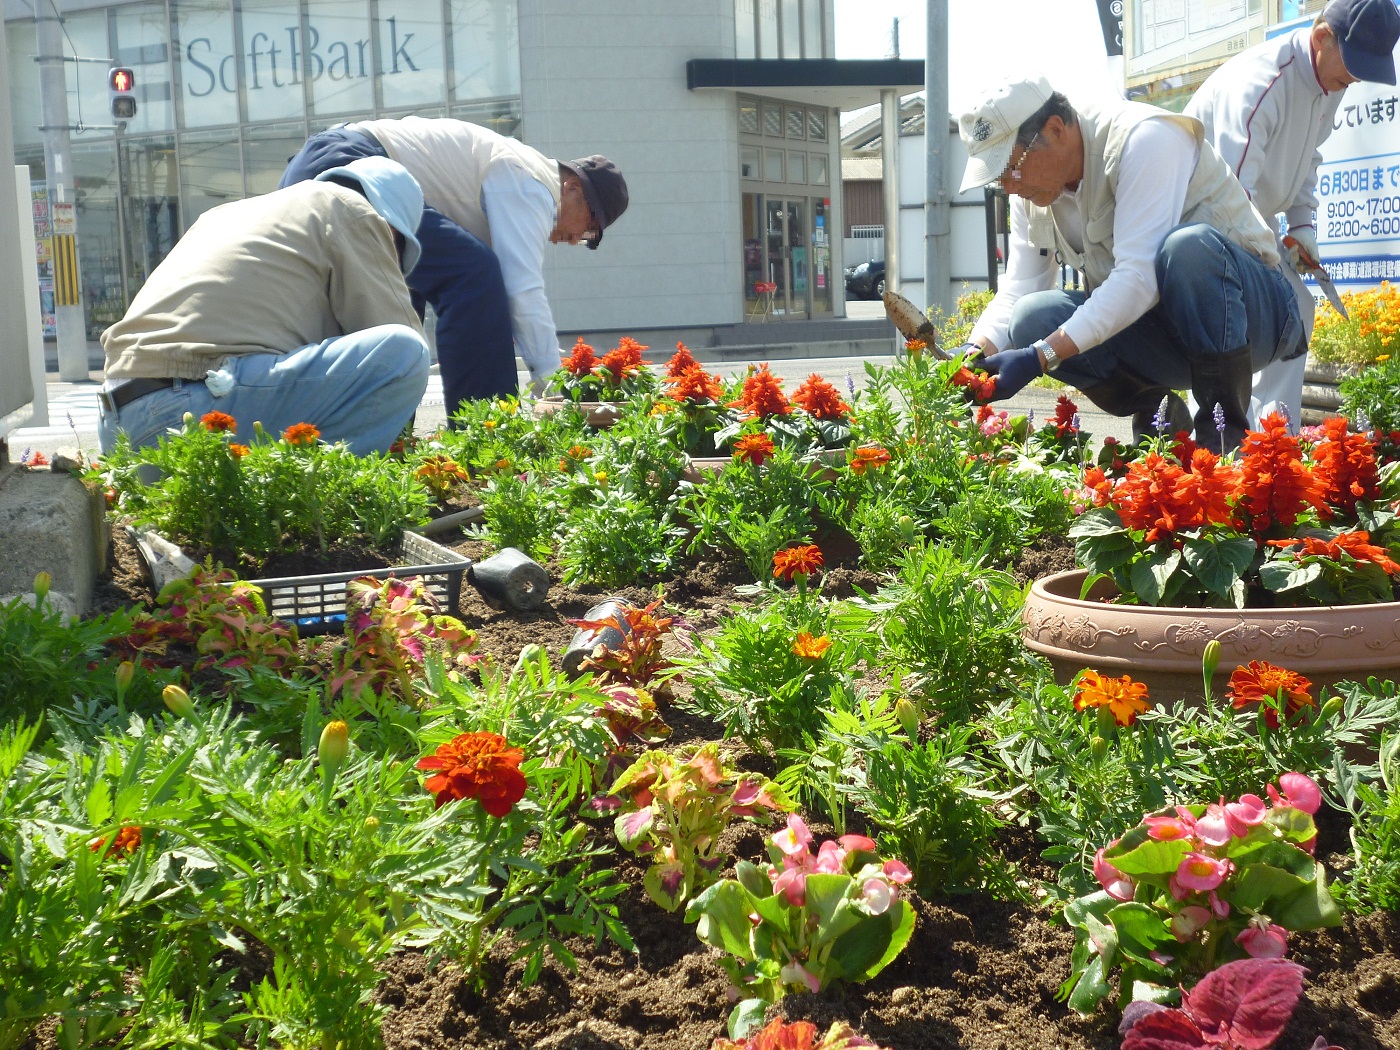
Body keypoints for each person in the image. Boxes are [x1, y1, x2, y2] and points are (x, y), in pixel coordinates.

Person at [953, 76, 1305, 451]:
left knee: (1188, 249)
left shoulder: (1143, 138)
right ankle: (1161, 420)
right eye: (998, 177)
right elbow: (1020, 286)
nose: (1008, 186)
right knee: (1031, 316)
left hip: (1256, 318)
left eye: (1012, 167)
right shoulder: (1033, 194)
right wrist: (975, 351)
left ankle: (1224, 438)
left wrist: (1041, 356)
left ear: (1055, 130)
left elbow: (1137, 278)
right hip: (1169, 335)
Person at [279, 117, 629, 415]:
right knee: (474, 275)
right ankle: (487, 438)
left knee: (401, 306)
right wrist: (552, 382)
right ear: (572, 188)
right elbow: (521, 288)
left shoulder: (516, 177)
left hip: (317, 167)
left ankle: (388, 444)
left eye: (588, 239)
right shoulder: (533, 182)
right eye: (588, 226)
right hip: (347, 166)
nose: (574, 239)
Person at [98, 156, 429, 456]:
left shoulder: (228, 214)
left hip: (119, 429)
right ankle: (326, 503)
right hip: (192, 411)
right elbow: (393, 350)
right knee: (406, 352)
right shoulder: (351, 209)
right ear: (388, 229)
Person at [1186, 0, 1400, 432]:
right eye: (1353, 64)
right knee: (1236, 322)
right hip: (1200, 227)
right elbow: (1232, 195)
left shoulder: (1329, 83)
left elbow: (1310, 158)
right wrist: (1267, 256)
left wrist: (1302, 228)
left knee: (1297, 306)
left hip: (1245, 217)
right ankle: (1221, 442)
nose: (1354, 79)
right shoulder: (1260, 83)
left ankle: (1276, 439)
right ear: (1321, 37)